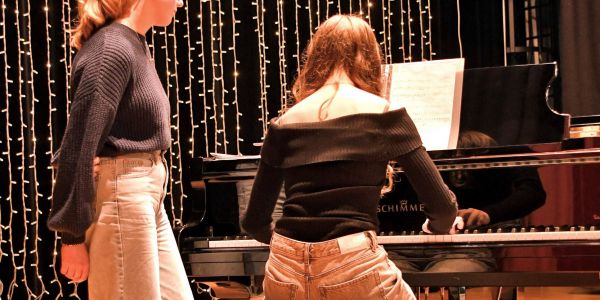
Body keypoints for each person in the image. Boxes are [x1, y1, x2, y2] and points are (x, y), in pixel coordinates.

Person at [240, 14, 462, 300]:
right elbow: (443, 208)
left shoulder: (284, 123)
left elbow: (254, 222)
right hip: (353, 265)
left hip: (283, 269)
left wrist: (295, 252)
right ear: (370, 59)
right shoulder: (384, 115)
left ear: (315, 57)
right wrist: (434, 228)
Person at [47, 0, 194, 299]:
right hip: (123, 196)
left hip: (145, 196)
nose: (180, 2)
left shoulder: (134, 44)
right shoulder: (112, 48)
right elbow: (78, 143)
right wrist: (72, 237)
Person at [389, 131, 546, 299]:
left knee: (441, 285)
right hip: (398, 249)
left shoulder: (501, 147)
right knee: (382, 285)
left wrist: (488, 214)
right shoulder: (398, 149)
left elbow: (532, 193)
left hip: (463, 249)